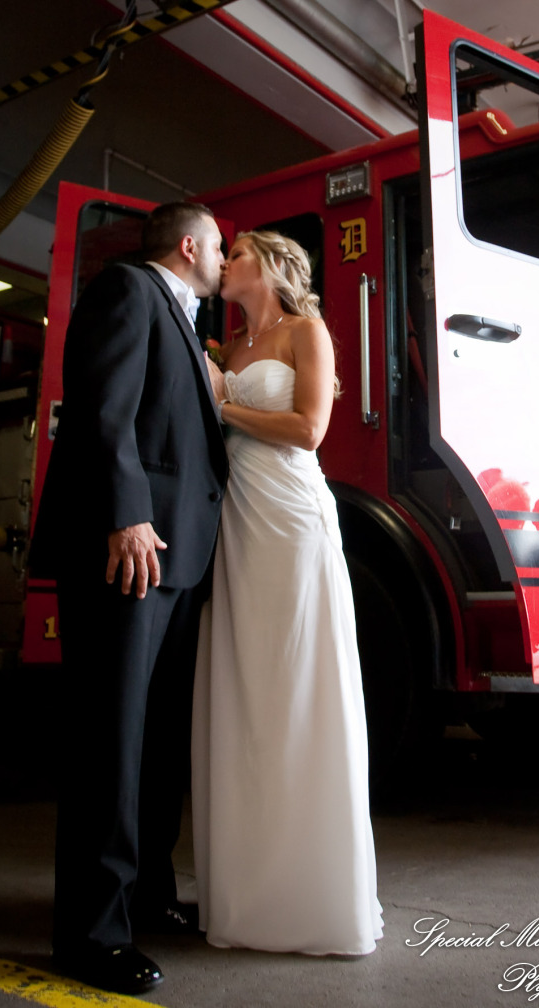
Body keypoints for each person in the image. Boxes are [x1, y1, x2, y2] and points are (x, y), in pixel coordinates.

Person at [29, 202, 229, 994]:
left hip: (176, 559)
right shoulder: (128, 290)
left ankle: (146, 897)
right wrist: (128, 514)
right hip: (131, 554)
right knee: (110, 745)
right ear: (188, 246)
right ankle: (90, 933)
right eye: (218, 245)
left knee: (156, 745)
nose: (225, 256)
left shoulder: (180, 315)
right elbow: (102, 414)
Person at [192, 230, 383, 956]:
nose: (225, 264)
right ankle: (249, 885)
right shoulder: (228, 349)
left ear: (270, 266)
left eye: (235, 254)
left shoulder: (308, 331)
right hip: (238, 522)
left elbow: (307, 429)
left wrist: (222, 406)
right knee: (248, 692)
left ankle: (314, 892)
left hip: (292, 516)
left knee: (300, 682)